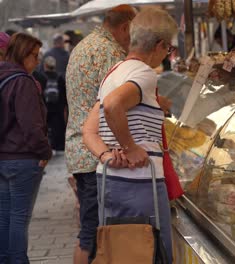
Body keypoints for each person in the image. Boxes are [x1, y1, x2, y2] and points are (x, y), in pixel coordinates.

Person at [82, 7, 178, 262]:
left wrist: (105, 155)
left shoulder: (113, 72)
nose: (166, 55)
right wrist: (131, 147)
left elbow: (89, 129)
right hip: (141, 183)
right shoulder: (144, 73)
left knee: (121, 252)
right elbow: (114, 105)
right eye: (168, 49)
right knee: (151, 252)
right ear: (159, 44)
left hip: (110, 180)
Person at [65, 5, 137, 264]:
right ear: (125, 27)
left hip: (80, 150)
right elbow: (115, 104)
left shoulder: (84, 45)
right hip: (98, 152)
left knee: (88, 231)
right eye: (133, 32)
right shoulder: (109, 52)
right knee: (93, 234)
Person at [0, 32, 52, 263]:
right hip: (23, 158)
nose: (38, 60)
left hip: (2, 158)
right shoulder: (23, 82)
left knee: (4, 216)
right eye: (34, 55)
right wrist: (44, 151)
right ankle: (18, 260)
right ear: (23, 54)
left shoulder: (3, 77)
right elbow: (31, 126)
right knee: (19, 216)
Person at [43, 56, 67, 152]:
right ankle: (58, 146)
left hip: (45, 107)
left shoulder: (41, 77)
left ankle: (47, 146)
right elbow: (64, 95)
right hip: (58, 109)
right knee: (58, 128)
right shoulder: (60, 78)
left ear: (45, 65)